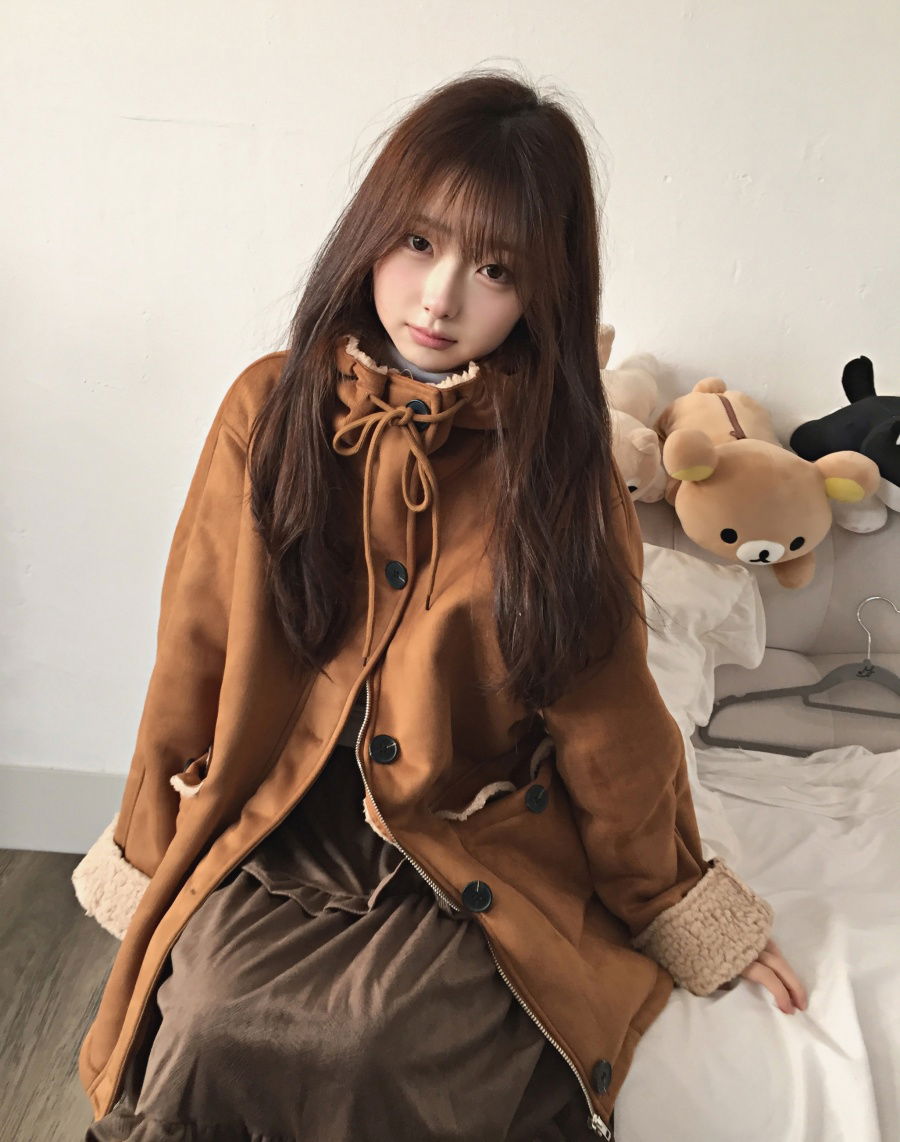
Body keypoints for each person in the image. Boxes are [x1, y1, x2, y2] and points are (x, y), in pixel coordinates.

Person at [76, 67, 807, 1142]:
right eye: (419, 243)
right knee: (212, 1026)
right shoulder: (267, 410)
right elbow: (194, 652)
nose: (440, 297)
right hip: (283, 821)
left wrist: (680, 907)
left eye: (495, 268)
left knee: (369, 1043)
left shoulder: (561, 468)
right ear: (372, 231)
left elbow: (609, 719)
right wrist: (145, 854)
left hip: (469, 839)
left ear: (542, 291)